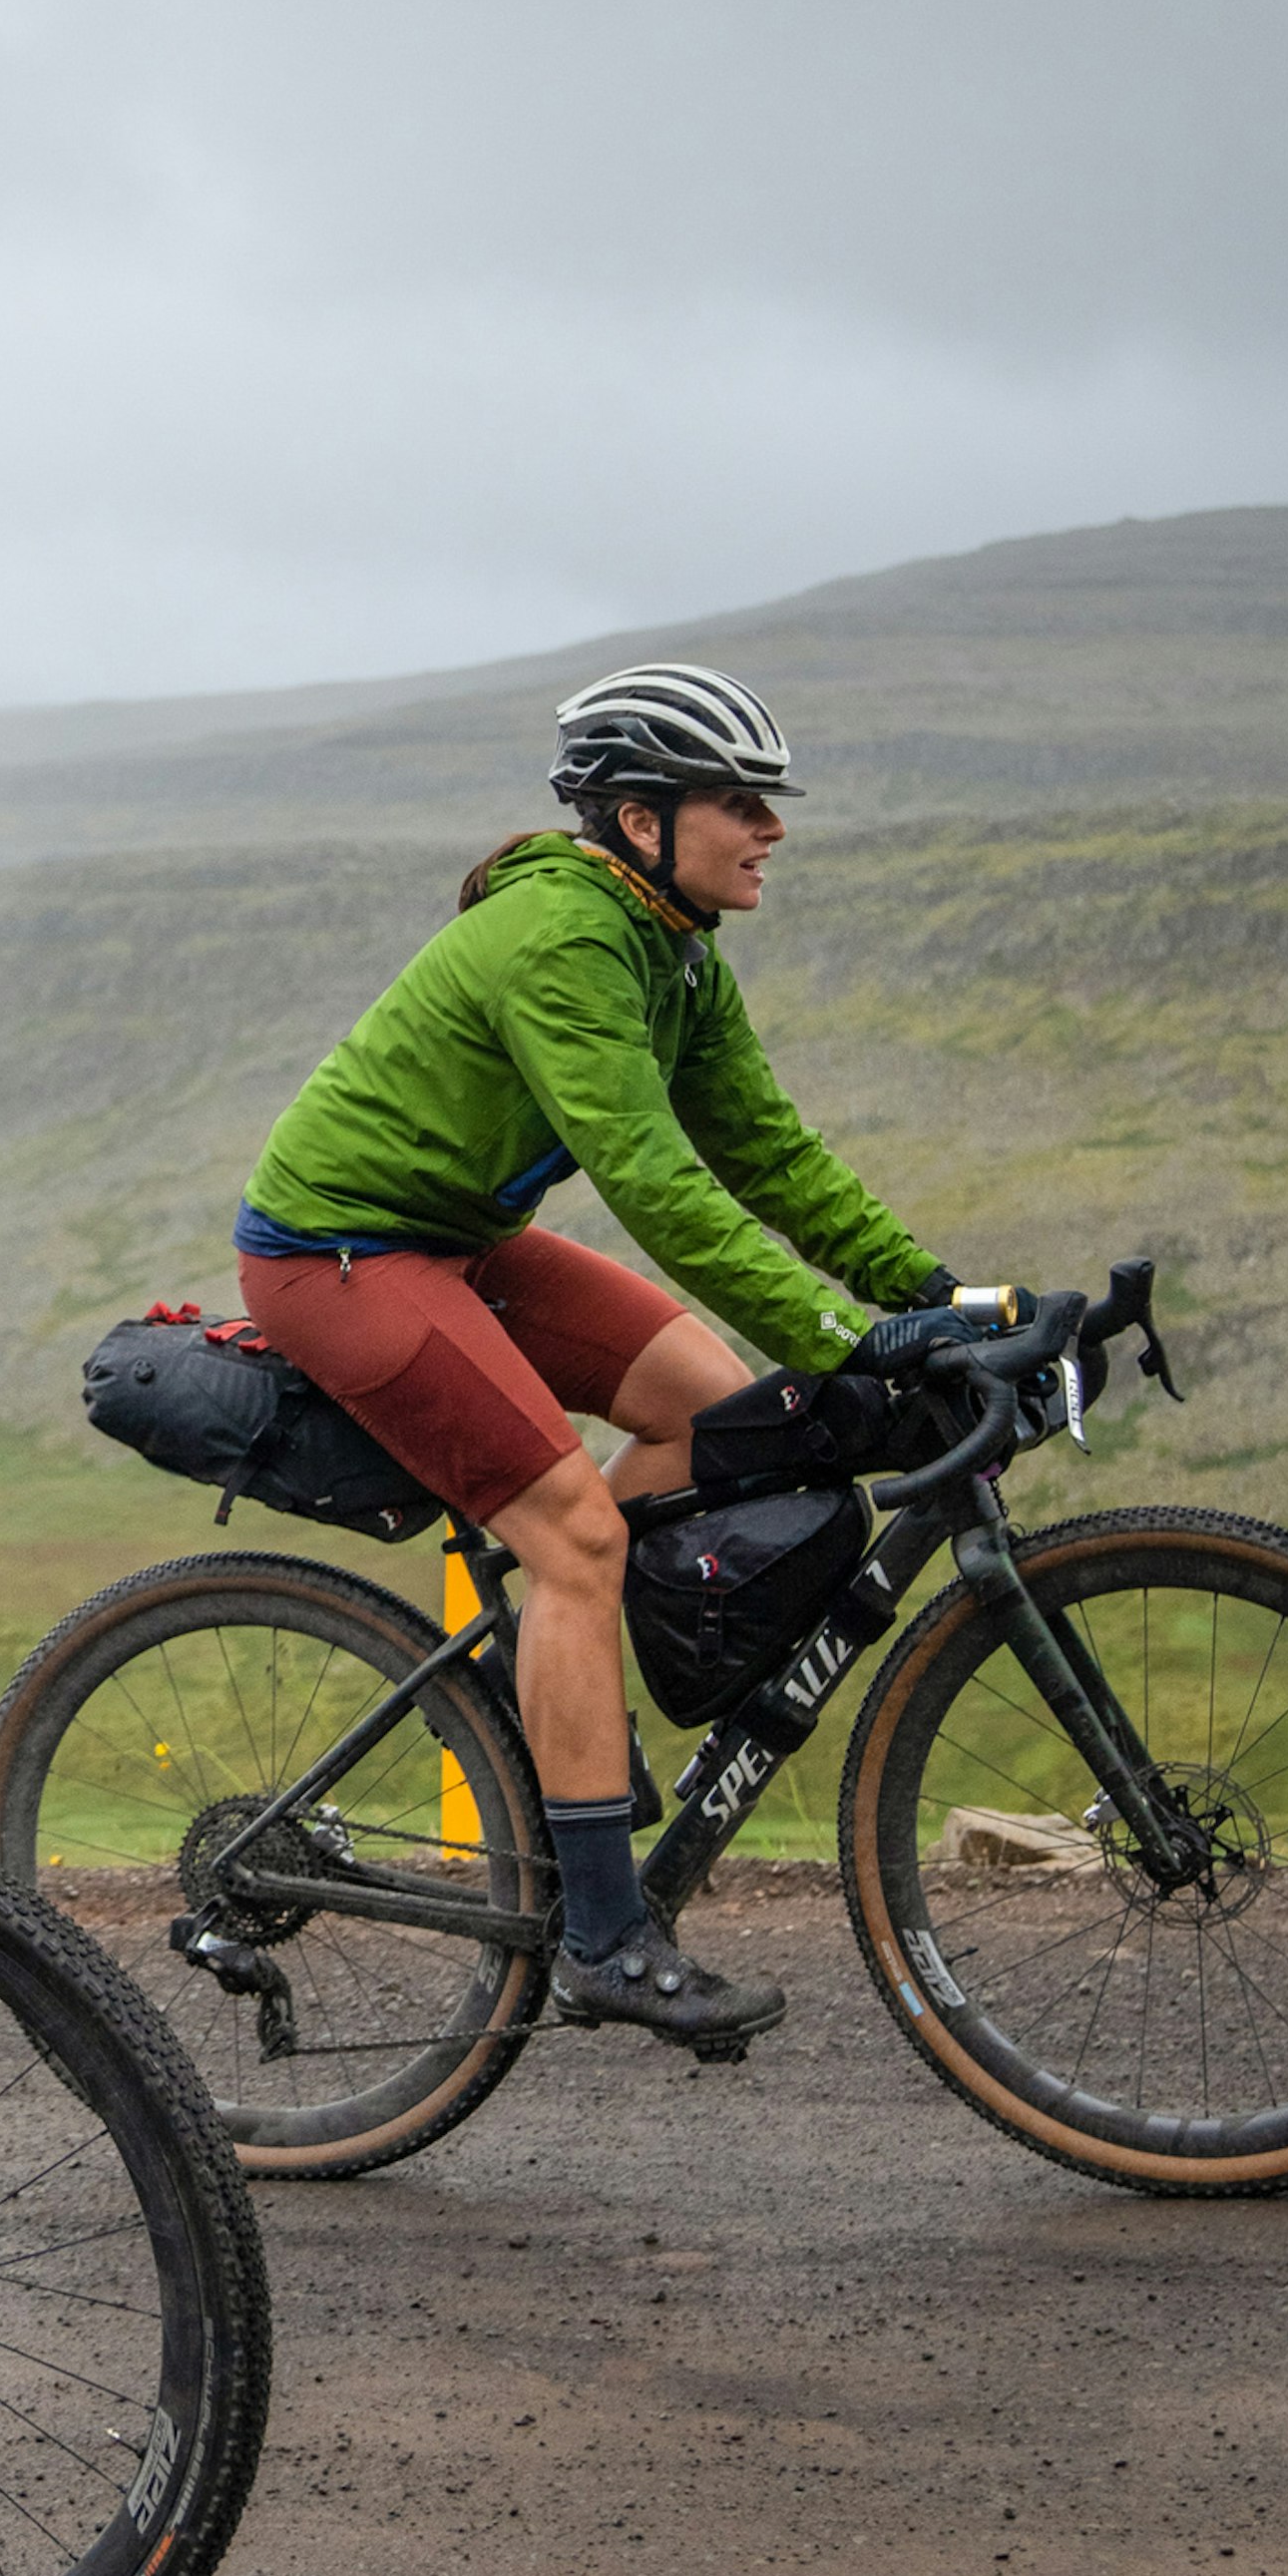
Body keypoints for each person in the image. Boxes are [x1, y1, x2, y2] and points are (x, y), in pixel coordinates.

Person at [234, 661, 1005, 2047]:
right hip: (340, 1254)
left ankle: (555, 1667)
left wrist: (936, 1294)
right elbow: (656, 1185)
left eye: (767, 802)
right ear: (641, 819)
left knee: (729, 1416)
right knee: (580, 1533)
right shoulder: (565, 937)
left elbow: (765, 1154)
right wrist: (856, 1339)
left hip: (460, 1238)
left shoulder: (674, 949)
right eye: (738, 802)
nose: (770, 828)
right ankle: (601, 1931)